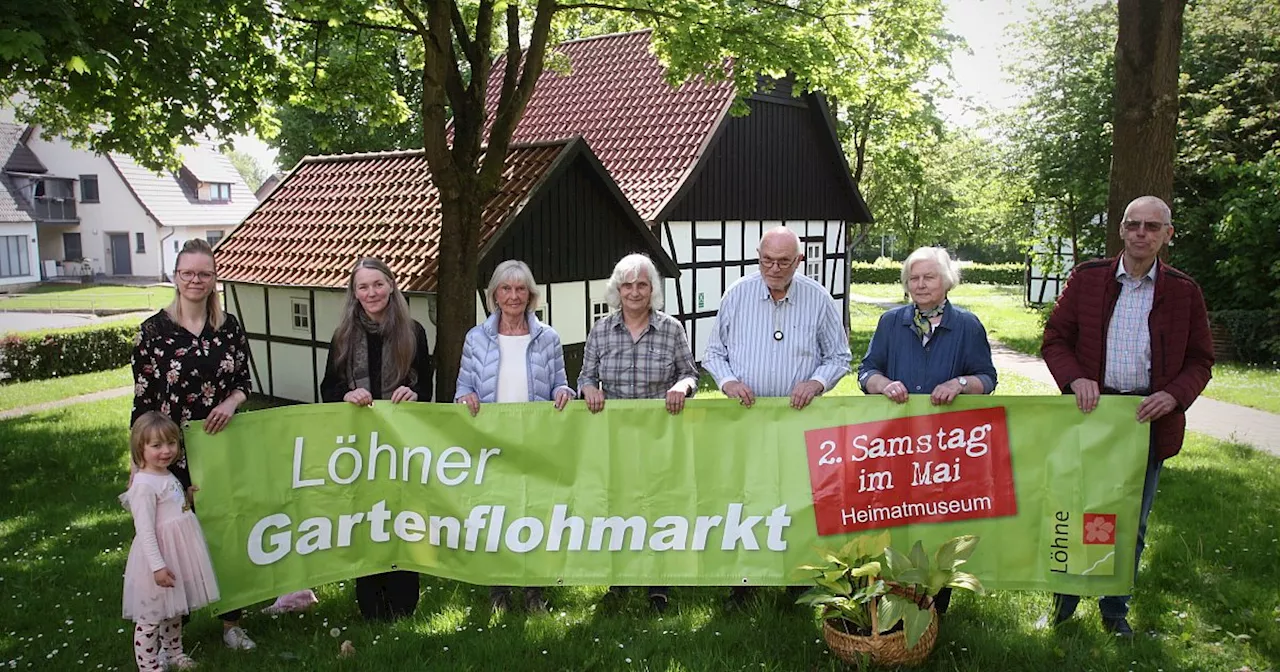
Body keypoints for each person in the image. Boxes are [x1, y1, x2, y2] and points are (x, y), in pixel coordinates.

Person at [1039, 195, 1214, 638]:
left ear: (1167, 235)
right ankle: (1064, 607)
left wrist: (1173, 396)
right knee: (1078, 513)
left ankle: (1115, 610)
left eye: (1152, 227)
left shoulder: (1183, 291)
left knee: (1130, 522)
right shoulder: (1088, 279)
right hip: (1091, 416)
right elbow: (1056, 338)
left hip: (1146, 422)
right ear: (1121, 229)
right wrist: (1074, 378)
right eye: (1133, 224)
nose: (1141, 233)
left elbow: (1200, 360)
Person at [703, 226, 852, 607]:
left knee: (798, 500)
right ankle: (744, 584)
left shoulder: (818, 299)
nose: (773, 268)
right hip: (746, 420)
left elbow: (839, 357)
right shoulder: (736, 295)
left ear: (798, 261)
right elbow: (714, 353)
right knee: (746, 498)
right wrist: (728, 381)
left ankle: (798, 581)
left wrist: (817, 382)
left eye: (783, 261)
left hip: (798, 422)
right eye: (766, 260)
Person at [131, 238, 257, 651]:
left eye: (204, 273)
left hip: (221, 447)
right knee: (173, 536)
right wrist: (140, 464)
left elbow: (244, 383)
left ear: (214, 278)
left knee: (227, 530)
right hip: (170, 453)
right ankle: (172, 630)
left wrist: (231, 402)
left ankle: (232, 623)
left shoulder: (230, 327)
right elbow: (144, 401)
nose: (196, 280)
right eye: (188, 273)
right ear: (176, 276)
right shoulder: (153, 331)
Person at [857, 246, 998, 613]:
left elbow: (988, 377)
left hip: (945, 449)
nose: (920, 285)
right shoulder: (891, 323)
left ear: (947, 281)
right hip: (895, 446)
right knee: (893, 518)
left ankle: (934, 607)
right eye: (913, 279)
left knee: (938, 523)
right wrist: (883, 384)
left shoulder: (967, 325)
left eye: (928, 277)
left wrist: (961, 384)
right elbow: (866, 371)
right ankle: (889, 604)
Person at [578, 253, 699, 613]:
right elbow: (585, 376)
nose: (634, 292)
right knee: (619, 504)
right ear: (617, 290)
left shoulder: (672, 329)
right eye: (627, 285)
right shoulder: (600, 330)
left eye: (641, 284)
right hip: (614, 438)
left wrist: (683, 388)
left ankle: (658, 584)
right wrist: (588, 390)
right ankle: (620, 579)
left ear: (652, 289)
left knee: (657, 505)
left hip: (660, 437)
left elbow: (691, 372)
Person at [455, 260, 575, 613]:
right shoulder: (475, 338)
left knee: (535, 514)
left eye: (520, 289)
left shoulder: (548, 337)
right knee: (497, 514)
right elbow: (463, 386)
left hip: (537, 442)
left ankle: (534, 593)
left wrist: (563, 393)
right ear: (494, 295)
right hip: (491, 442)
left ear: (531, 295)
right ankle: (499, 593)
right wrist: (465, 397)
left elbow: (560, 383)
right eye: (506, 289)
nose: (513, 295)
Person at [320, 258, 434, 621]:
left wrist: (413, 393)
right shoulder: (342, 336)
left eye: (378, 284)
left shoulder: (413, 331)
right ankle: (371, 602)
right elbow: (328, 388)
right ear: (354, 293)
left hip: (401, 443)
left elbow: (426, 385)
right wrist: (345, 396)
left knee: (401, 516)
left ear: (392, 285)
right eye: (363, 286)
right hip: (359, 445)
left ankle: (403, 603)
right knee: (366, 518)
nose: (371, 292)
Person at [121, 412, 220, 671]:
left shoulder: (165, 474)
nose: (166, 451)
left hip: (179, 553)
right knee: (150, 617)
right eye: (156, 446)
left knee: (176, 609)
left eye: (171, 443)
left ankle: (174, 651)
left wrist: (187, 496)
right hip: (159, 558)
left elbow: (172, 508)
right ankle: (149, 665)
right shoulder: (143, 485)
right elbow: (144, 529)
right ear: (139, 448)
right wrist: (157, 566)